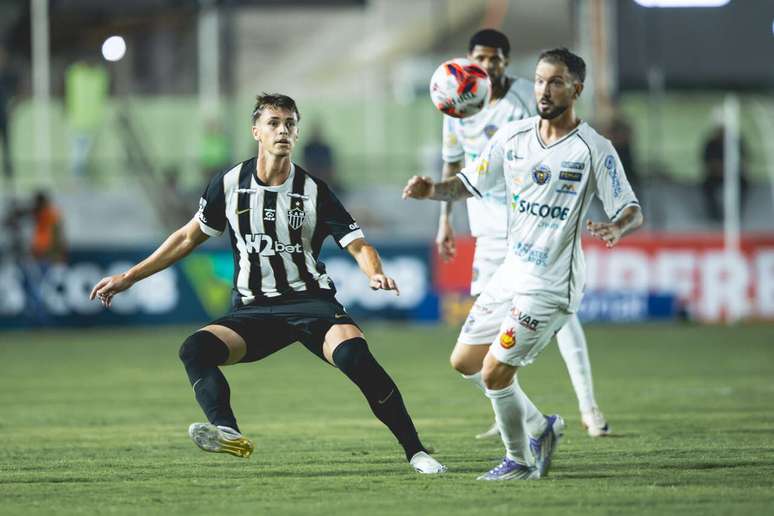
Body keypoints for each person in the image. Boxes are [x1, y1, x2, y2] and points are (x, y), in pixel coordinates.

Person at [90, 93, 446, 475]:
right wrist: (129, 277)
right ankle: (228, 432)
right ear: (256, 131)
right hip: (254, 309)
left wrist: (373, 271)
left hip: (311, 303)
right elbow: (186, 238)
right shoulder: (228, 184)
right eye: (274, 123)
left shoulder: (314, 191)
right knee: (194, 349)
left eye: (290, 123)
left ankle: (416, 452)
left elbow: (358, 244)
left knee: (355, 357)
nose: (283, 131)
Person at [404, 48, 643, 480]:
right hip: (511, 271)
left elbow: (630, 207)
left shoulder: (594, 149)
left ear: (576, 88)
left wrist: (618, 227)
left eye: (554, 82)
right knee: (464, 361)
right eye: (538, 80)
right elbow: (466, 183)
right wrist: (431, 191)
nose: (544, 90)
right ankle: (541, 426)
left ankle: (518, 460)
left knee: (495, 372)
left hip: (550, 284)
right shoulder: (512, 137)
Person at [437, 29, 611, 440]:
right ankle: (518, 416)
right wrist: (445, 220)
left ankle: (589, 408)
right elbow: (453, 164)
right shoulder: (453, 102)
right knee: (478, 338)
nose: (489, 64)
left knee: (559, 317)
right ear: (470, 58)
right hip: (485, 229)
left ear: (507, 63)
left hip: (525, 228)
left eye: (497, 58)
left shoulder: (524, 101)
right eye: (482, 56)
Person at [701, 124, 748, 222]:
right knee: (707, 186)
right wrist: (719, 169)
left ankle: (735, 213)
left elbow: (744, 161)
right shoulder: (711, 144)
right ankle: (714, 216)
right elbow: (708, 163)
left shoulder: (737, 143)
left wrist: (732, 170)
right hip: (715, 175)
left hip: (734, 175)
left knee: (743, 184)